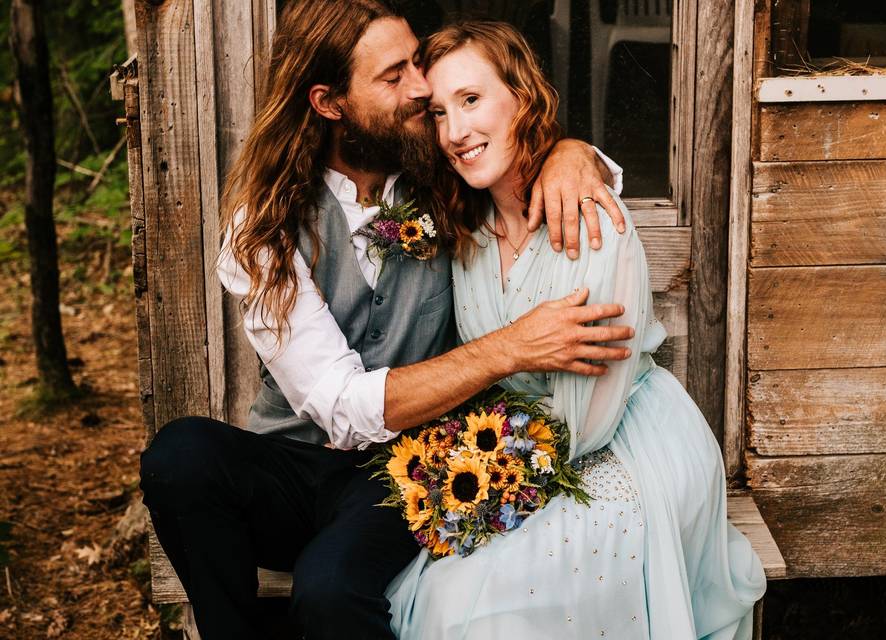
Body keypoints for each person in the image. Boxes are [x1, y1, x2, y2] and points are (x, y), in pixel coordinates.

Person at [138, 2, 632, 639]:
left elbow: (515, 149)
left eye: (417, 65)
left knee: (330, 589)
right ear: (329, 103)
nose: (422, 89)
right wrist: (507, 349)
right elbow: (342, 407)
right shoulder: (259, 232)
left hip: (409, 469)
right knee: (179, 454)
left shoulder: (444, 174)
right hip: (293, 469)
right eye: (394, 76)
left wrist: (572, 153)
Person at [384, 22, 767, 639]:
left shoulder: (590, 222)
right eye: (438, 112)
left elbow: (591, 416)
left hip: (614, 444)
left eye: (472, 100)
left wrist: (494, 476)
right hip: (507, 451)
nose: (455, 132)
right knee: (447, 590)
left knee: (477, 602)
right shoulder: (465, 230)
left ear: (523, 97)